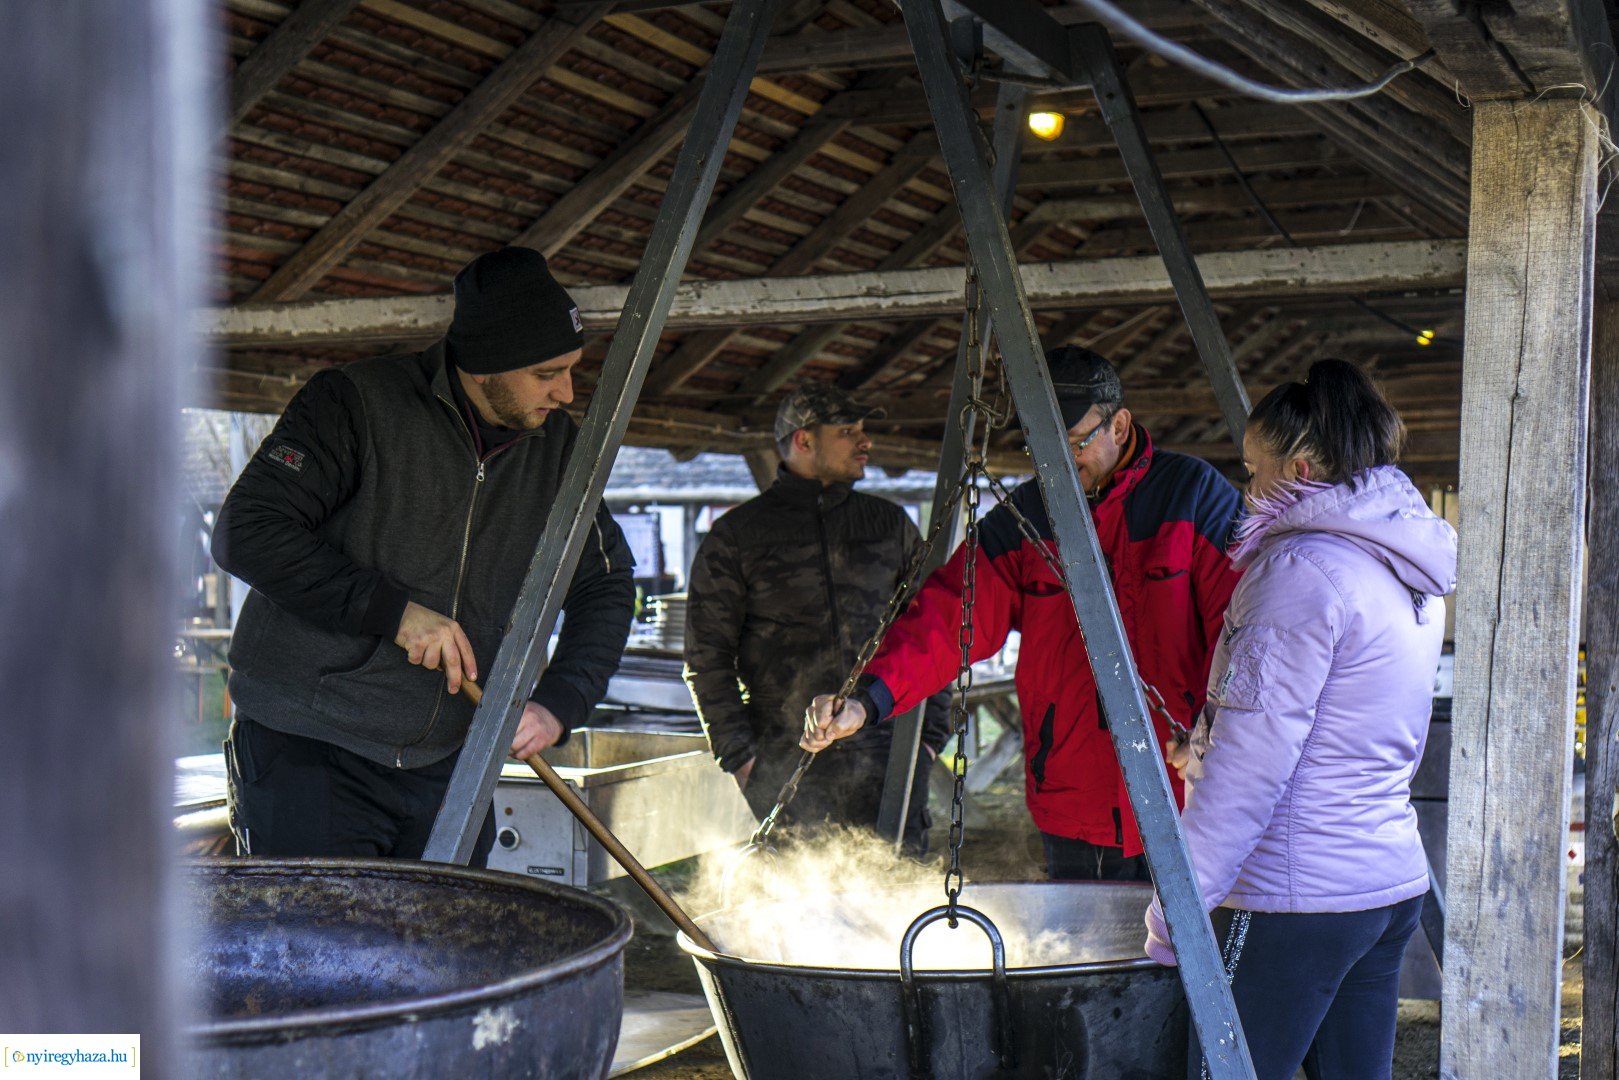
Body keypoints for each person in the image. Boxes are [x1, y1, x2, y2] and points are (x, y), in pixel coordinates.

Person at [213, 247, 636, 867]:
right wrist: (393, 612)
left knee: (442, 959)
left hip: (450, 765)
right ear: (487, 361)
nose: (566, 392)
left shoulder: (559, 452)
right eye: (547, 372)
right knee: (322, 957)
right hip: (311, 749)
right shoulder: (355, 403)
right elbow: (246, 531)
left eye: (571, 368)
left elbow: (605, 581)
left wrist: (562, 701)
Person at [803, 346, 1243, 880]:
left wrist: (1213, 732)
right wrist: (866, 700)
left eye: (1076, 443)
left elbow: (1247, 635)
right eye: (1044, 448)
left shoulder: (1193, 495)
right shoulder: (1022, 519)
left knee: (1193, 960)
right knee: (1086, 959)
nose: (1060, 462)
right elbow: (946, 620)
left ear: (1120, 425)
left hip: (1187, 791)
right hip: (1071, 802)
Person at [1142, 359, 1457, 1079]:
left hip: (1293, 896)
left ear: (1303, 470)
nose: (1247, 490)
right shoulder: (1403, 565)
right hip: (1384, 884)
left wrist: (1178, 905)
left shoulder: (1298, 572)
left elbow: (1247, 767)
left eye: (1255, 471)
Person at [683, 383, 950, 851]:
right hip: (784, 759)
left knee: (900, 905)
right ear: (803, 441)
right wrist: (743, 760)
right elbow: (707, 659)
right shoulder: (738, 536)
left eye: (864, 430)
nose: (865, 442)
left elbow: (934, 632)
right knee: (797, 912)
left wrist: (928, 742)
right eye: (848, 431)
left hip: (892, 752)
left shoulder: (890, 526)